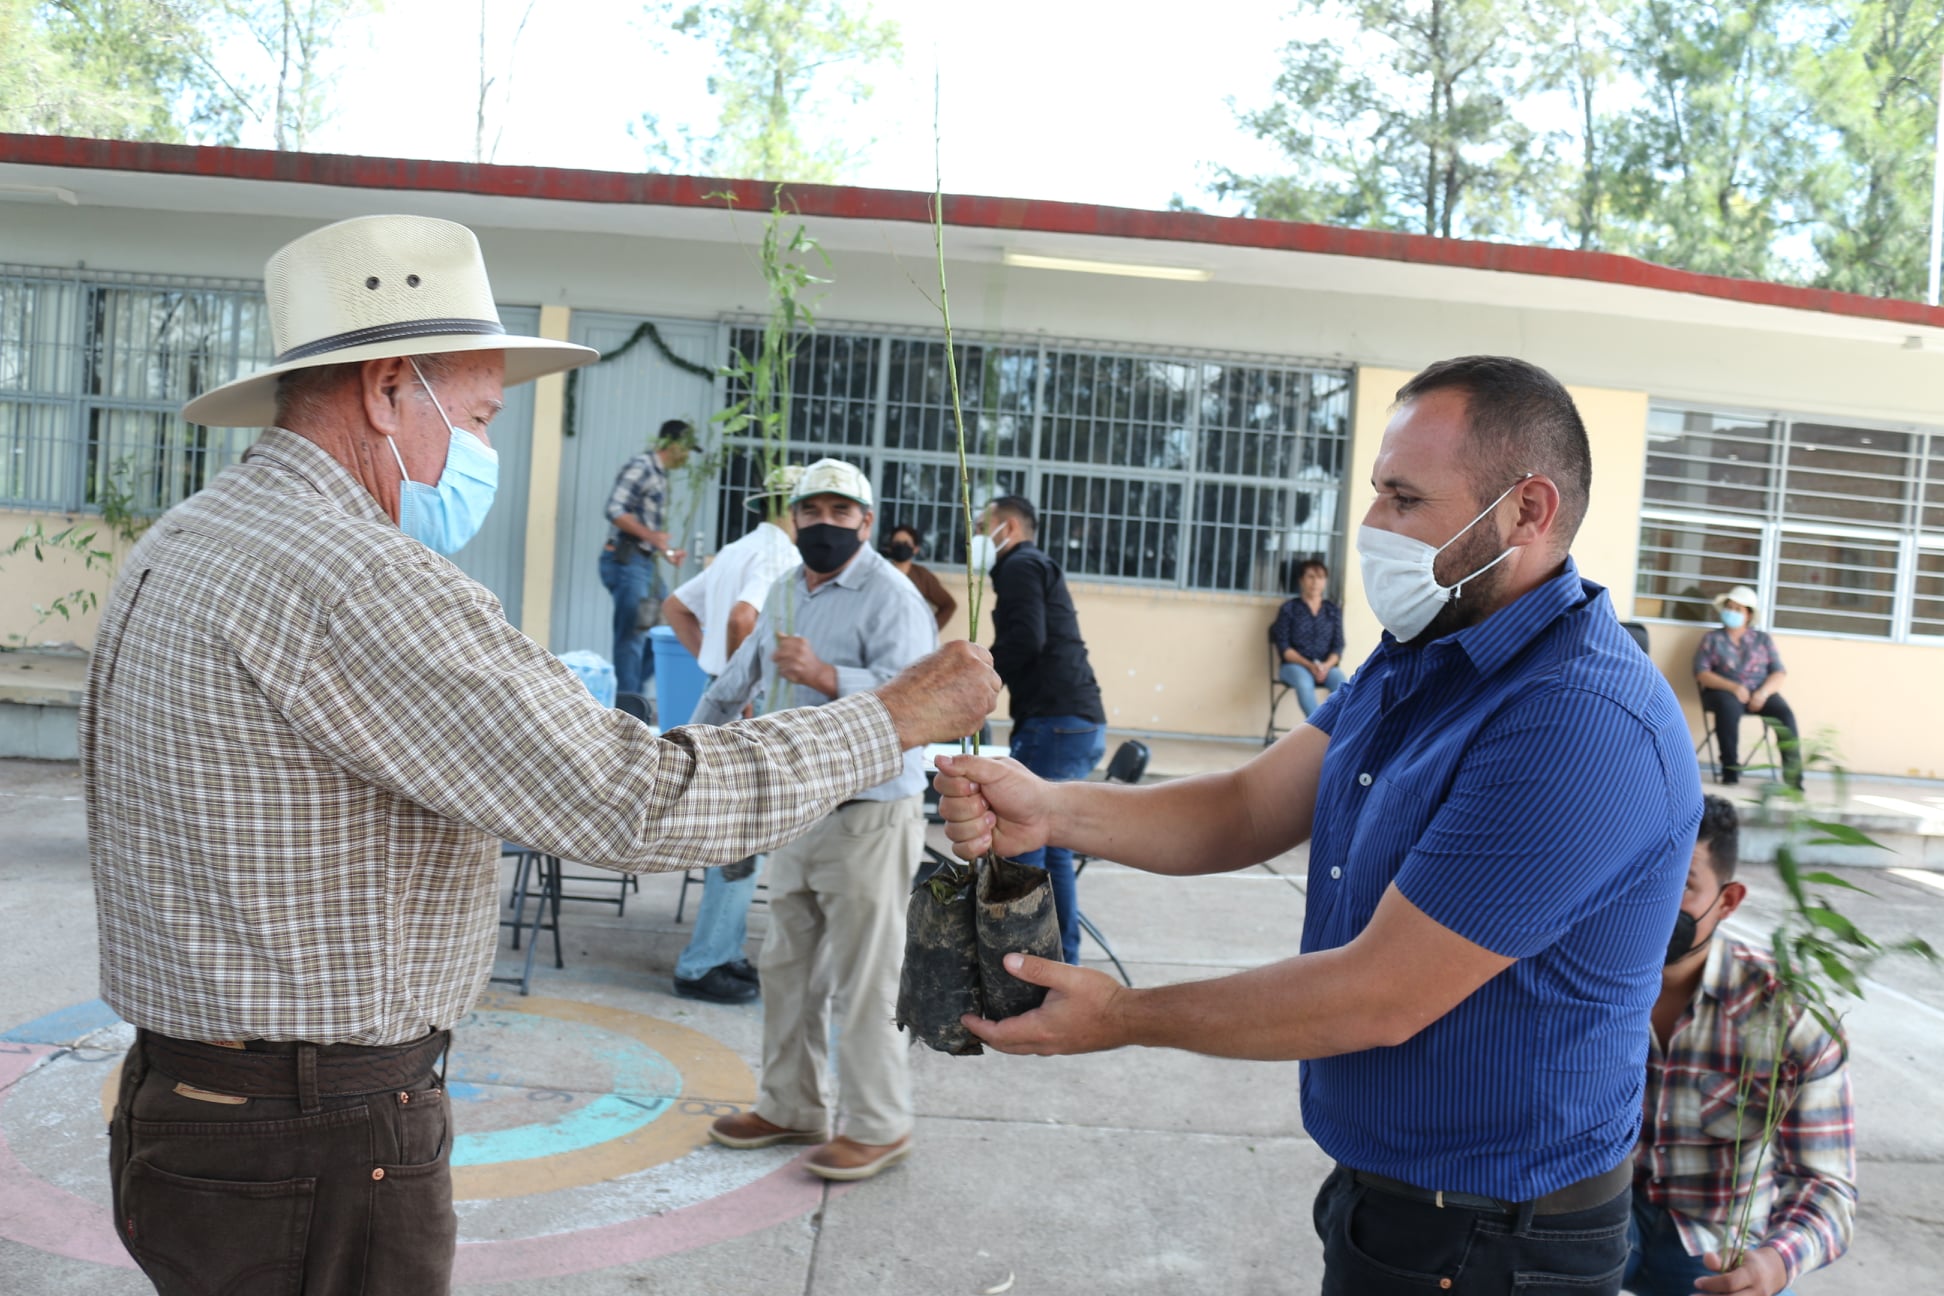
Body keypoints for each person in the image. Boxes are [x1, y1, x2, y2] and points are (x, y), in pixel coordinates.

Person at [81, 215, 999, 1296]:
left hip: (185, 1104)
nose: (481, 450)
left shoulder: (185, 540)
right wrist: (887, 717)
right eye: (474, 416)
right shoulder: (357, 576)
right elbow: (637, 804)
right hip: (316, 1133)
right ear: (387, 391)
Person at [937, 356, 1702, 1296]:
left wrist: (1126, 1016)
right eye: (1377, 494)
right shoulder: (1425, 652)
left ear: (1527, 511)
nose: (1373, 527)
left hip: (1495, 1244)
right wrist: (1049, 805)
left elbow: (1375, 996)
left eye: (1405, 499)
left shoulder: (1577, 719)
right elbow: (1247, 806)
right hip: (1394, 1203)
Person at [698, 458, 938, 1182]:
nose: (825, 525)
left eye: (842, 513)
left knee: (867, 978)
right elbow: (739, 678)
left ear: (866, 523)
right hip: (796, 807)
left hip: (870, 810)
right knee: (786, 968)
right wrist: (684, 750)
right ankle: (790, 1103)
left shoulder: (893, 598)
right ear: (793, 519)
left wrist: (830, 678)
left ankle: (879, 1124)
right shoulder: (783, 592)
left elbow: (919, 699)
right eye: (813, 512)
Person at [1627, 795, 1855, 1296]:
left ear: (1727, 901)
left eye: (1680, 885)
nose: (1651, 898)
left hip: (1716, 1240)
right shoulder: (1579, 989)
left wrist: (1776, 1262)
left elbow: (1826, 1186)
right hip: (1600, 1220)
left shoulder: (1790, 1020)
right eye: (1639, 875)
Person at [659, 463, 805, 1005]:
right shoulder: (779, 555)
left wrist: (714, 664)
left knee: (738, 838)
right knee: (741, 840)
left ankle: (724, 949)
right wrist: (743, 687)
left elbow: (676, 606)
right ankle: (703, 964)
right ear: (793, 508)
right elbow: (746, 618)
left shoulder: (739, 548)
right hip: (746, 707)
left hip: (722, 694)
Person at [975, 494, 1107, 965]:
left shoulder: (1020, 565)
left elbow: (1025, 639)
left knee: (1025, 841)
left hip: (1054, 722)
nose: (974, 538)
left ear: (1006, 528)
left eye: (979, 527)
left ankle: (1021, 967)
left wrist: (977, 680)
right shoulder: (1033, 565)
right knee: (1051, 851)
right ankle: (1059, 963)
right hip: (1073, 720)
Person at [599, 418, 693, 697]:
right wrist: (652, 538)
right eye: (686, 449)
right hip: (627, 563)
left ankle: (632, 695)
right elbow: (614, 508)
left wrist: (666, 551)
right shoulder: (642, 467)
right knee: (633, 638)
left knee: (665, 627)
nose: (687, 457)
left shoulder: (660, 475)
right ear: (673, 445)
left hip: (645, 564)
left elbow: (647, 532)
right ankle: (628, 709)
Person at [1694, 585, 1803, 789]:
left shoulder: (1763, 639)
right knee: (1728, 708)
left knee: (1784, 714)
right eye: (1729, 607)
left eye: (1738, 609)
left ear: (1749, 614)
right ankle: (1730, 771)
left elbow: (1779, 672)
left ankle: (1794, 778)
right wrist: (1733, 687)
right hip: (1723, 692)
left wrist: (1762, 693)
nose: (1731, 612)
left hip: (1760, 691)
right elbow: (1702, 673)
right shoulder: (1712, 639)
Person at [1271, 557, 1347, 717]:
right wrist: (1309, 665)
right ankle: (1319, 729)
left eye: (1320, 577)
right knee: (1304, 683)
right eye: (1310, 577)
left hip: (1325, 667)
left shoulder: (1332, 610)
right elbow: (1284, 648)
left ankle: (1338, 730)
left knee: (1342, 685)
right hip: (1294, 666)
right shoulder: (1289, 609)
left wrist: (1325, 666)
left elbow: (1338, 646)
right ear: (1301, 580)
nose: (1315, 582)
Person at [882, 521, 958, 630]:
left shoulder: (922, 576)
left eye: (906, 544)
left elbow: (948, 604)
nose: (901, 547)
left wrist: (929, 631)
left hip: (912, 638)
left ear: (915, 549)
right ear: (890, 548)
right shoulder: (881, 573)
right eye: (897, 543)